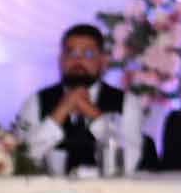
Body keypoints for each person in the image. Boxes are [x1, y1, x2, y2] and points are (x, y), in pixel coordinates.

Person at [17, 24, 151, 172]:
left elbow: (129, 163)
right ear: (60, 59)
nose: (78, 60)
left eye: (87, 54)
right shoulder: (35, 101)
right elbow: (22, 159)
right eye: (71, 53)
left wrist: (94, 115)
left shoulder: (127, 103)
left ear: (102, 60)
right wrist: (60, 112)